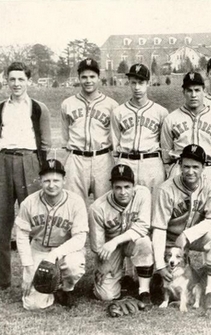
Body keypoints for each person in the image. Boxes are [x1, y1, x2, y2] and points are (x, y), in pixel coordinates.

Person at [152, 144, 211, 310]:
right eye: (186, 167)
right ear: (179, 166)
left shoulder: (209, 185)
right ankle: (157, 278)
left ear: (203, 168)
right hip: (169, 240)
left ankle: (210, 292)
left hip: (194, 236)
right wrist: (160, 265)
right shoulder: (165, 189)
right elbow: (158, 229)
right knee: (157, 283)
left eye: (195, 167)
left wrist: (188, 234)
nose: (190, 171)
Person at [0, 61, 51, 290]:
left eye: (21, 79)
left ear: (28, 81)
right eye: (12, 79)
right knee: (2, 221)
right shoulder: (1, 107)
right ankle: (2, 280)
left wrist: (39, 168)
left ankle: (36, 276)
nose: (16, 84)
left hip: (29, 161)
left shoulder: (38, 108)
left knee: (34, 220)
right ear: (6, 81)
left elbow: (46, 143)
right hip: (3, 162)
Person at [15, 159, 88, 309]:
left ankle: (66, 289)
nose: (51, 185)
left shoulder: (76, 202)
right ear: (40, 181)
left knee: (74, 266)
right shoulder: (29, 202)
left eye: (56, 180)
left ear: (64, 181)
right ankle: (50, 290)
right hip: (39, 249)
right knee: (33, 305)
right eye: (47, 180)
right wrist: (28, 268)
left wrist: (54, 254)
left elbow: (80, 238)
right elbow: (21, 235)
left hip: (66, 251)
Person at [89, 165, 154, 304]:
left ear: (133, 186)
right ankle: (116, 280)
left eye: (127, 187)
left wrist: (116, 241)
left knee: (145, 242)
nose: (123, 192)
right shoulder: (97, 208)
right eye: (118, 187)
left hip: (132, 241)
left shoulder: (143, 194)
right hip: (110, 249)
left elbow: (143, 226)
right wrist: (103, 265)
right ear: (111, 187)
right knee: (106, 296)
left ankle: (144, 290)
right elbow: (98, 245)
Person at [61, 58, 119, 203]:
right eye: (84, 77)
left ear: (99, 78)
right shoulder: (68, 104)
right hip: (76, 159)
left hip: (102, 159)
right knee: (73, 204)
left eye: (92, 76)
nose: (88, 81)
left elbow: (115, 137)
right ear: (79, 78)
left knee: (105, 205)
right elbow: (65, 136)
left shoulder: (111, 105)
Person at [111, 63, 168, 193]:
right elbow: (115, 145)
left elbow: (164, 144)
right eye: (133, 83)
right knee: (125, 206)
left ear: (148, 83)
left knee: (153, 207)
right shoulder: (118, 112)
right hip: (126, 161)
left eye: (141, 82)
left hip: (151, 162)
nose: (137, 87)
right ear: (129, 83)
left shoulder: (160, 112)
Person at [160, 72, 211, 183]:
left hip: (208, 169)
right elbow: (166, 153)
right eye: (189, 90)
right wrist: (171, 170)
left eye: (197, 90)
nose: (193, 95)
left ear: (204, 91)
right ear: (183, 92)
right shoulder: (171, 119)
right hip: (180, 170)